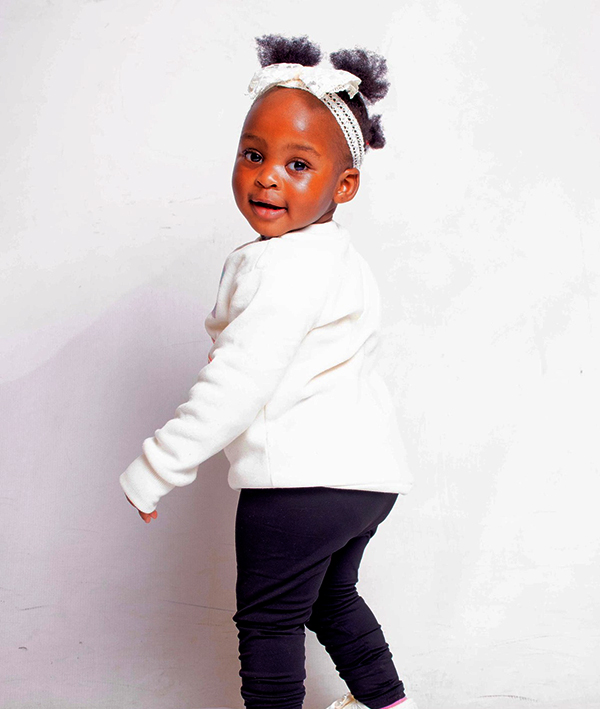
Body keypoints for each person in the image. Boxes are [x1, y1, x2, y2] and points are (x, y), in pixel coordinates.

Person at [119, 33, 418, 709]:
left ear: (345, 184)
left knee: (269, 620)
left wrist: (158, 465)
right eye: (254, 154)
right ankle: (391, 703)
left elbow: (237, 382)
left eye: (298, 163)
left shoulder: (283, 266)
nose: (268, 176)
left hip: (299, 481)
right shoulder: (336, 258)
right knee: (331, 598)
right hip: (366, 479)